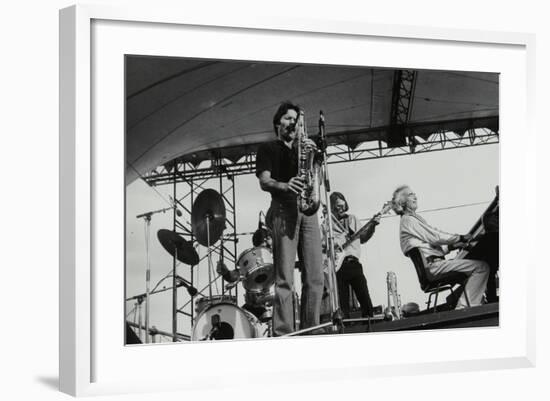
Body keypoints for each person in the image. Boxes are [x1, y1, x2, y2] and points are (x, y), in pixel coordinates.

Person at [255, 101, 324, 336]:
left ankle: (311, 329)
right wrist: (284, 185)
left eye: (295, 119)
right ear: (277, 123)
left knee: (315, 275)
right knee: (285, 278)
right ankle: (284, 333)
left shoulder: (302, 148)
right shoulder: (267, 148)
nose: (292, 122)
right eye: (287, 118)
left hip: (308, 210)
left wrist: (314, 157)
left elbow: (317, 180)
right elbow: (265, 181)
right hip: (283, 209)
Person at [391, 185, 490, 309]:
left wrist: (452, 246)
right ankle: (464, 308)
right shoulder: (408, 220)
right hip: (434, 268)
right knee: (482, 267)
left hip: (433, 265)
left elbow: (429, 248)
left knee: (473, 269)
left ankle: (471, 304)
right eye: (411, 194)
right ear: (402, 202)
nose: (415, 196)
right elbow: (435, 236)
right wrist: (460, 237)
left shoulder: (409, 220)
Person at [322, 191, 379, 318]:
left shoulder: (352, 219)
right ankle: (345, 330)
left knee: (364, 296)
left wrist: (373, 225)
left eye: (343, 205)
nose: (341, 208)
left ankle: (369, 323)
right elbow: (323, 245)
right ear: (332, 207)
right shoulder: (327, 224)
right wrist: (337, 242)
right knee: (342, 303)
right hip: (338, 267)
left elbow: (363, 238)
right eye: (337, 206)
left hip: (353, 262)